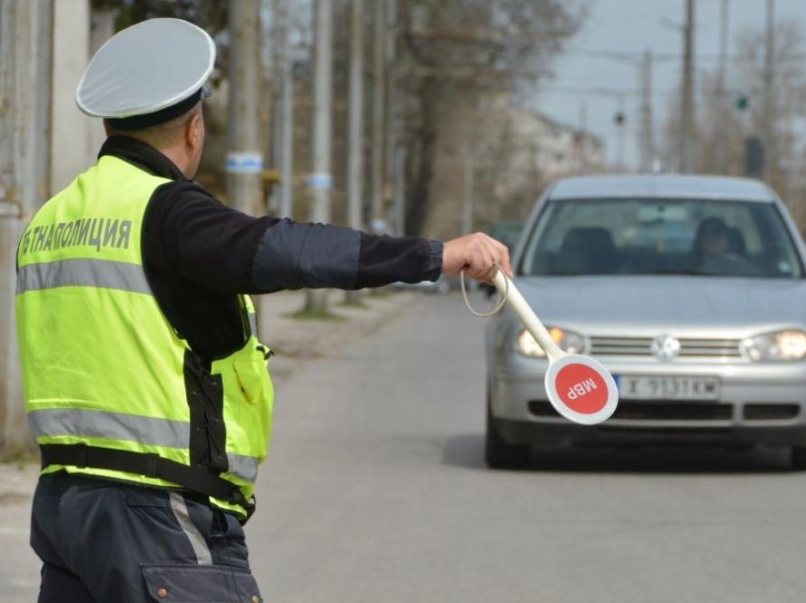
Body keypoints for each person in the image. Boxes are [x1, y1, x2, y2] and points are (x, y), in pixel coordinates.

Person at [15, 18, 511, 603]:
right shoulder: (168, 212)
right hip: (156, 516)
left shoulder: (50, 222)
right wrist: (435, 255)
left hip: (65, 508)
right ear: (194, 128)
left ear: (109, 123)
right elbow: (291, 251)